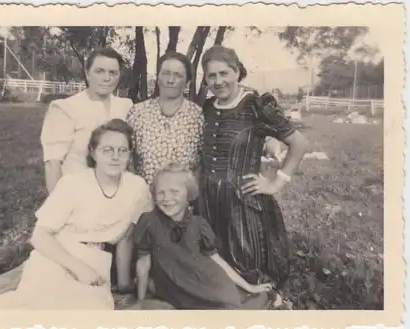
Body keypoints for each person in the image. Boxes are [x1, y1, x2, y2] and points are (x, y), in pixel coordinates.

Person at [0, 119, 152, 310]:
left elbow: (127, 236)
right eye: (107, 150)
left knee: (92, 311)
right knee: (38, 305)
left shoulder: (137, 187)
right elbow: (40, 236)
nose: (115, 157)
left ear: (129, 155)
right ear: (93, 153)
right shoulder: (73, 183)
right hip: (58, 254)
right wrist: (78, 268)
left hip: (98, 258)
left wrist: (124, 284)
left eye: (122, 150)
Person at [198, 45, 310, 309]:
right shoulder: (208, 106)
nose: (218, 81)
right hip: (208, 200)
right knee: (215, 265)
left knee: (247, 267)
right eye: (211, 76)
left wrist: (276, 182)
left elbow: (299, 143)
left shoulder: (256, 106)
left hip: (242, 203)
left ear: (238, 72)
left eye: (224, 73)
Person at [133, 164, 273, 310]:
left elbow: (216, 260)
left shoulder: (198, 225)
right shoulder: (149, 222)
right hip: (176, 286)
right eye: (160, 193)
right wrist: (140, 300)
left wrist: (249, 286)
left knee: (227, 304)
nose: (167, 198)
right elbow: (143, 264)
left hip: (207, 279)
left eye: (174, 192)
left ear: (188, 195)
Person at [41, 47, 133, 194]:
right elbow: (53, 164)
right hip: (78, 193)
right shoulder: (65, 108)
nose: (107, 78)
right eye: (99, 71)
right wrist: (58, 204)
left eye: (113, 73)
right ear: (87, 73)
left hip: (117, 193)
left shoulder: (125, 106)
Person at [126, 52, 204, 186]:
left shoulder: (197, 115)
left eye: (178, 75)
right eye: (166, 73)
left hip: (182, 200)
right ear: (158, 77)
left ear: (187, 82)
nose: (170, 80)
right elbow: (127, 157)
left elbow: (203, 162)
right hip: (144, 199)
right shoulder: (138, 112)